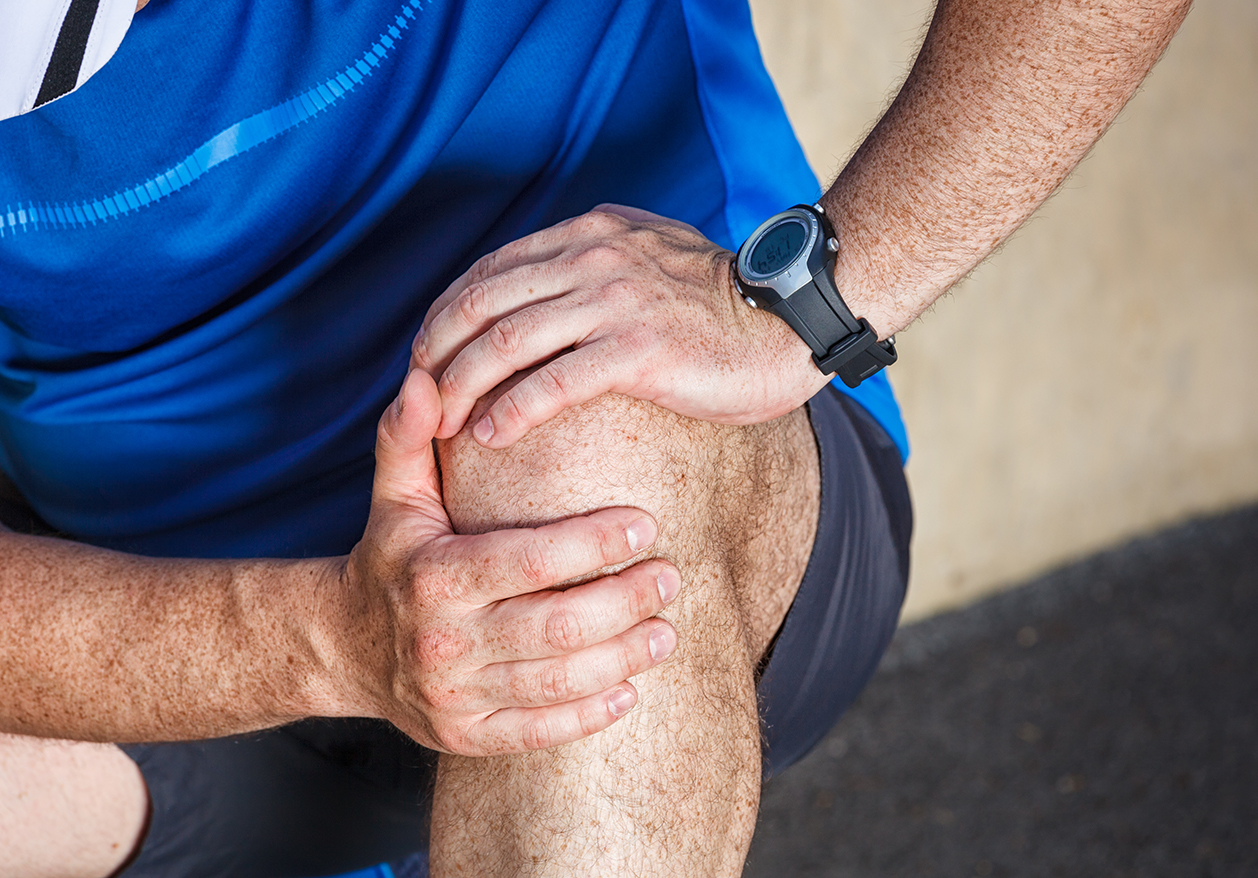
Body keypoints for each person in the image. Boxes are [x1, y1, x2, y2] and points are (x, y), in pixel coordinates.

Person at [0, 0, 1190, 875]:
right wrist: (338, 639)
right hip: (178, 634)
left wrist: (808, 300)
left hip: (674, 527)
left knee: (561, 417)